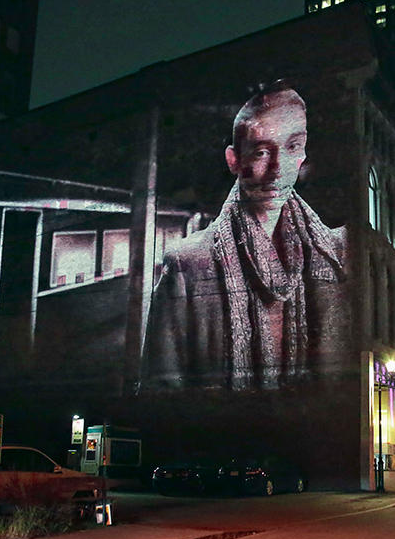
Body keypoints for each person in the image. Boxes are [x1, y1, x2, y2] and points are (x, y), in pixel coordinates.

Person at [144, 83, 347, 390]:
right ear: (233, 160)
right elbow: (161, 392)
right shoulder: (187, 264)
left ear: (303, 153)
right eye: (262, 151)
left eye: (292, 146)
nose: (278, 169)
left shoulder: (337, 254)